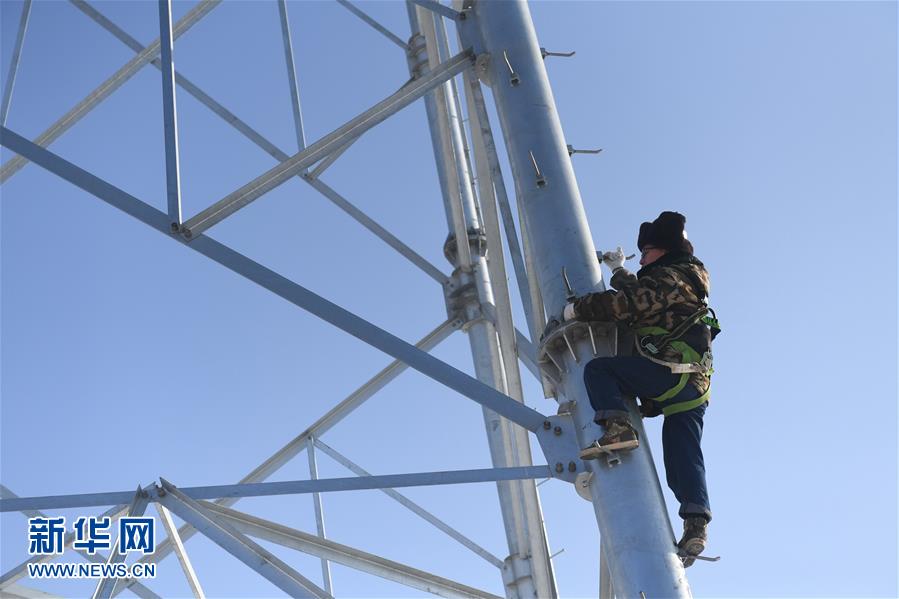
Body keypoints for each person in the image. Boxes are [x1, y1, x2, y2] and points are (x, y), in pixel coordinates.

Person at [561, 211, 718, 566]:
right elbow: (642, 293)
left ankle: (617, 428)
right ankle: (696, 525)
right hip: (694, 385)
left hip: (666, 372)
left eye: (645, 251)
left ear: (661, 251)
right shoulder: (685, 280)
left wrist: (578, 310)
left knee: (600, 371)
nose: (642, 257)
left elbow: (627, 304)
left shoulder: (671, 279)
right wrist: (618, 272)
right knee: (684, 456)